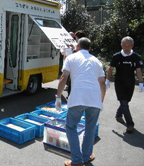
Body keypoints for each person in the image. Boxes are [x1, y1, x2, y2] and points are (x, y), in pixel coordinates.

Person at [55, 37, 106, 166]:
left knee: (71, 127)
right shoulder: (96, 61)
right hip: (94, 100)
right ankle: (86, 156)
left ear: (77, 46)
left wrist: (58, 97)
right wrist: (101, 101)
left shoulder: (71, 58)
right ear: (89, 49)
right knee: (90, 128)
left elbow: (63, 77)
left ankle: (77, 160)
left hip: (77, 98)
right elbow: (102, 83)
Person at [105, 36, 143, 133]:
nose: (126, 48)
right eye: (125, 46)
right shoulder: (116, 56)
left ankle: (118, 115)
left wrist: (141, 82)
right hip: (119, 83)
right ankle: (130, 124)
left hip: (130, 83)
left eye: (129, 46)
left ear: (132, 46)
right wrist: (107, 80)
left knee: (125, 102)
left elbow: (138, 71)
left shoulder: (136, 57)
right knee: (124, 103)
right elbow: (110, 69)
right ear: (121, 45)